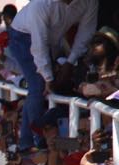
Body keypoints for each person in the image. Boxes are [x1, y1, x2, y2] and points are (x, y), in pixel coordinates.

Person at [7, 0, 97, 152]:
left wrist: (70, 62)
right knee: (38, 87)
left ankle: (29, 142)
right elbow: (39, 45)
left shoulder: (89, 2)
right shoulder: (41, 4)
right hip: (23, 37)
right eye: (46, 129)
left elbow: (86, 33)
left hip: (50, 41)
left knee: (42, 88)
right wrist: (48, 77)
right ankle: (31, 142)